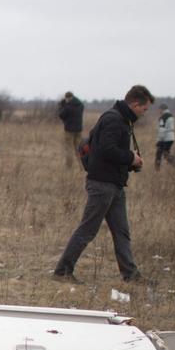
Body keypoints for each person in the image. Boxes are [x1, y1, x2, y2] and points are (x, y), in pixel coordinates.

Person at [52, 85, 155, 283]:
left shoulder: (121, 119)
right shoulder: (114, 120)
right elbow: (107, 150)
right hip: (102, 185)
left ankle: (131, 275)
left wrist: (130, 163)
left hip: (114, 185)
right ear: (135, 104)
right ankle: (62, 272)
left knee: (121, 232)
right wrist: (130, 158)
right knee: (87, 229)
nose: (145, 112)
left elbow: (105, 151)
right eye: (145, 108)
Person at [57, 91, 84, 167]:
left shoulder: (67, 106)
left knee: (69, 148)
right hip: (78, 130)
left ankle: (69, 166)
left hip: (69, 130)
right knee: (79, 149)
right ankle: (82, 166)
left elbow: (61, 115)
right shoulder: (81, 105)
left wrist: (62, 106)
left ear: (68, 98)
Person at [155, 103, 175, 170]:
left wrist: (159, 140)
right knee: (166, 154)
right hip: (171, 137)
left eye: (159, 109)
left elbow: (162, 130)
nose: (158, 111)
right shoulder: (170, 116)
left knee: (159, 154)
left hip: (165, 138)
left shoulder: (163, 117)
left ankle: (157, 169)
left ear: (162, 109)